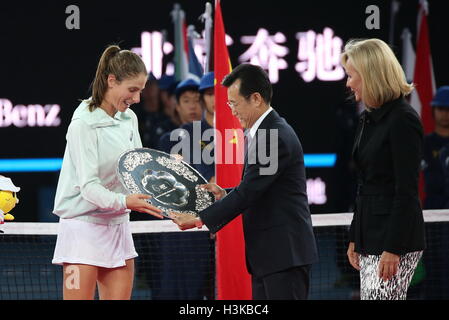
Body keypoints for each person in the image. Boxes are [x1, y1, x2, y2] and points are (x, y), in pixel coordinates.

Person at [172, 63, 319, 300]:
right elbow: (256, 188)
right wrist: (225, 193)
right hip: (270, 258)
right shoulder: (264, 133)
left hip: (284, 257)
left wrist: (200, 218)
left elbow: (249, 192)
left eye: (234, 103)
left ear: (256, 99)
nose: (230, 110)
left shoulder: (274, 136)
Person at [51, 45, 163, 300]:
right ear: (111, 81)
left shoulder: (130, 119)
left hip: (118, 227)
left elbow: (138, 171)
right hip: (82, 231)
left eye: (140, 91)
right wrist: (124, 201)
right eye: (132, 90)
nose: (136, 98)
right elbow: (88, 186)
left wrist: (166, 183)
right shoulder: (83, 124)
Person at [342, 38, 426, 300]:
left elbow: (407, 191)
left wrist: (393, 248)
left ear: (371, 75)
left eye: (352, 75)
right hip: (370, 237)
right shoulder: (368, 118)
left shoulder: (403, 119)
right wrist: (356, 236)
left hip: (394, 240)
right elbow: (365, 185)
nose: (348, 83)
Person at [421, 86, 449, 299]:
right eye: (440, 108)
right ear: (433, 110)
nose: (444, 114)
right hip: (430, 216)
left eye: (448, 109)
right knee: (433, 266)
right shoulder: (423, 143)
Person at [157, 78, 202, 153]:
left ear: (203, 104)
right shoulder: (169, 140)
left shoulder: (213, 137)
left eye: (197, 100)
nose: (192, 106)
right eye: (186, 101)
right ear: (177, 106)